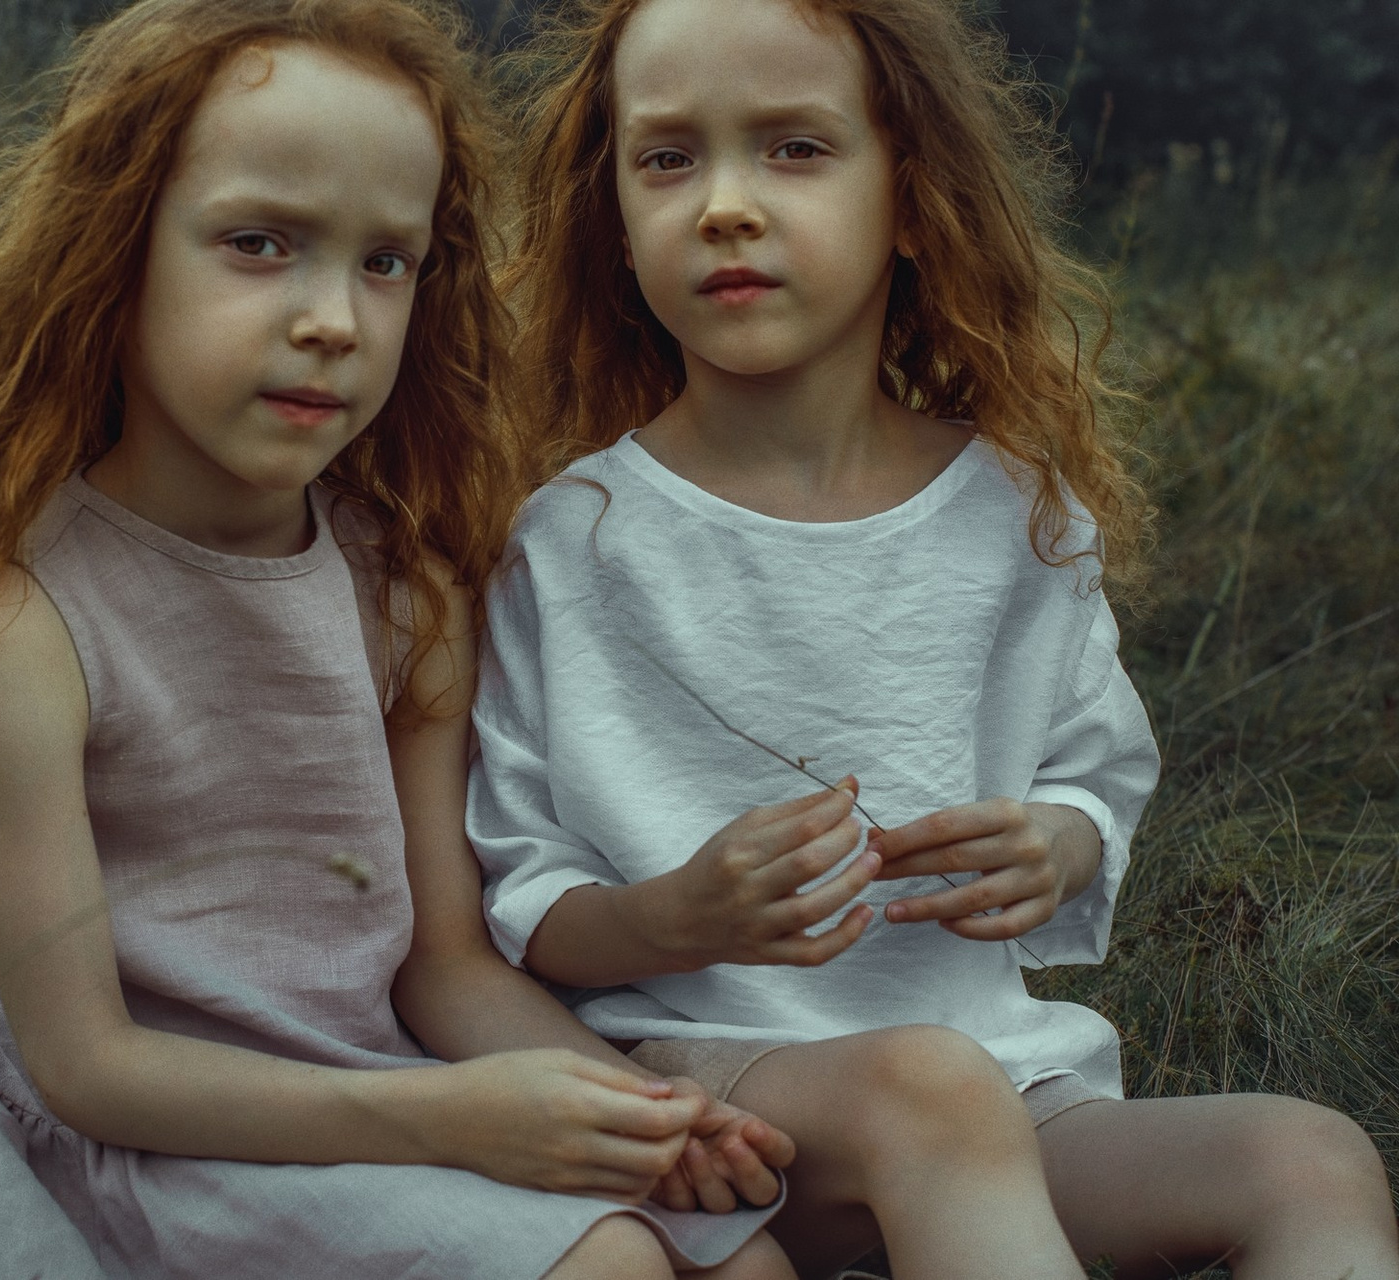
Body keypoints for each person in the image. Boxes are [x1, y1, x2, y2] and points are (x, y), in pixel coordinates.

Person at [0, 1, 802, 1276]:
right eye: (259, 243)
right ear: (113, 250)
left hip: (378, 1072)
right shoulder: (23, 622)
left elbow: (442, 966)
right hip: (162, 1131)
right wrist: (454, 1121)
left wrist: (643, 1114)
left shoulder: (402, 587)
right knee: (609, 1262)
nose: (334, 318)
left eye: (385, 261)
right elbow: (87, 1065)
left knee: (743, 1259)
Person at [468, 0, 1399, 1277]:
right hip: (701, 1097)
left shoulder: (1015, 512)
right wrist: (671, 914)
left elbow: (1093, 768)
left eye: (795, 148)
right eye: (668, 157)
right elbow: (522, 900)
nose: (724, 204)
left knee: (1310, 1154)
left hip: (995, 1091)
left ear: (912, 201)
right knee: (930, 1088)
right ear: (616, 226)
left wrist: (1056, 841)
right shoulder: (569, 542)